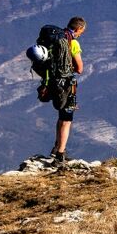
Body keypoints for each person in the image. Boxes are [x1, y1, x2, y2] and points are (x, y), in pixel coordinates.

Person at [51, 16, 86, 164]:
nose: (81, 34)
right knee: (67, 119)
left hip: (54, 83)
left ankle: (56, 147)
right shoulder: (73, 43)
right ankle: (60, 153)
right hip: (66, 85)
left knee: (61, 116)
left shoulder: (56, 39)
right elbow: (79, 69)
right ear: (78, 29)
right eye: (81, 32)